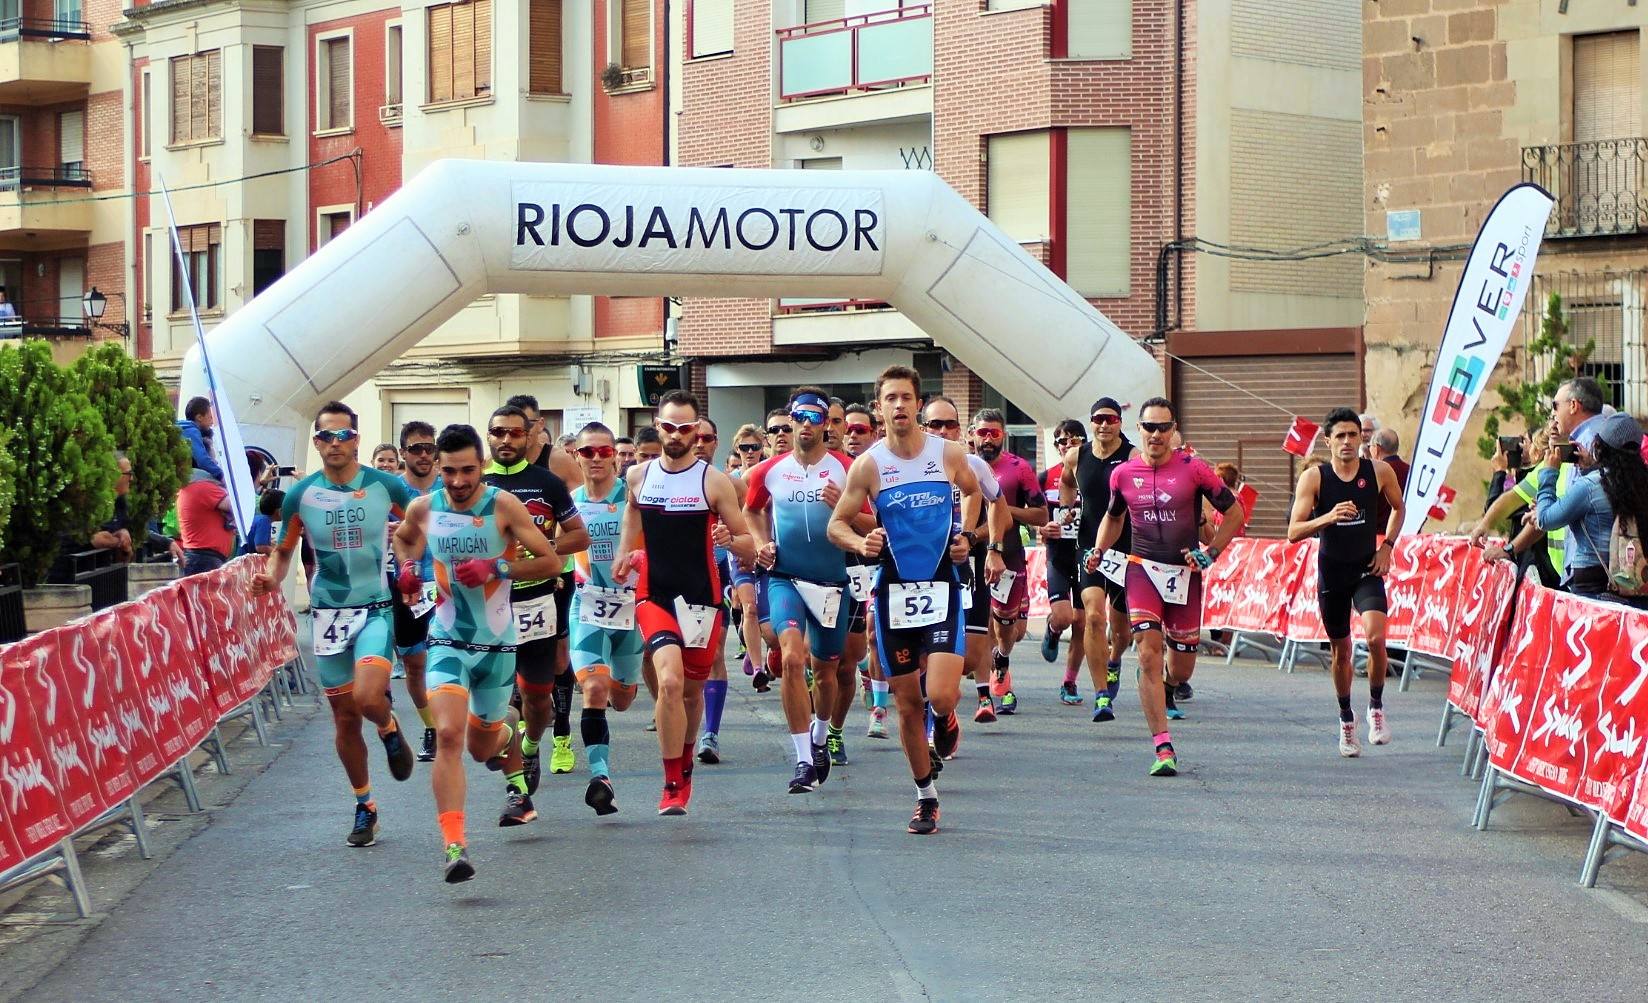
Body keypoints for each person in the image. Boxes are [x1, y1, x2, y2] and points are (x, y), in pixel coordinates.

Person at [391, 424, 567, 882]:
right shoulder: (425, 506)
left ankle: (508, 738)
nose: (458, 481)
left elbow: (551, 561)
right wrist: (407, 570)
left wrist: (497, 565)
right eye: (449, 471)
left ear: (482, 466)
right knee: (448, 736)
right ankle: (455, 846)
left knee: (480, 745)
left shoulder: (503, 506)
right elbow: (405, 539)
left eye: (468, 470)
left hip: (497, 644)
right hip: (447, 639)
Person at [250, 401, 417, 848]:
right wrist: (272, 576)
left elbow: (421, 524)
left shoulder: (386, 485)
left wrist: (415, 564)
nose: (334, 444)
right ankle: (365, 804)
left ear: (356, 439)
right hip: (327, 614)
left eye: (343, 436)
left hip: (376, 606)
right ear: (317, 442)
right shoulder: (301, 494)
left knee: (366, 696)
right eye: (326, 437)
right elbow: (284, 549)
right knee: (344, 717)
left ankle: (388, 726)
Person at [828, 365, 986, 834]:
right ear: (879, 407)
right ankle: (925, 796)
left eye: (905, 397)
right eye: (889, 398)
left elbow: (975, 493)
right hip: (894, 595)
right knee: (906, 703)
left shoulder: (948, 453)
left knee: (939, 694)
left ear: (918, 404)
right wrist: (861, 545)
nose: (898, 405)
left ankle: (948, 716)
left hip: (941, 588)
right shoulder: (870, 465)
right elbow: (836, 524)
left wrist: (968, 537)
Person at [613, 391, 757, 815]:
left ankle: (687, 756)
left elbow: (747, 542)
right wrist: (626, 553)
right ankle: (672, 779)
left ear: (698, 432)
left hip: (702, 598)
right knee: (670, 682)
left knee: (692, 694)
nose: (676, 435)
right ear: (658, 426)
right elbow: (632, 515)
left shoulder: (714, 481)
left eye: (685, 428)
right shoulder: (638, 476)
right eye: (669, 427)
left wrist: (732, 541)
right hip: (654, 594)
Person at [1088, 397, 1246, 776]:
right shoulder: (1123, 474)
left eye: (1163, 427)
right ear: (1138, 430)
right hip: (1142, 569)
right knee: (1146, 653)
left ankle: (1169, 685)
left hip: (1184, 575)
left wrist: (1211, 552)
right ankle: (1162, 746)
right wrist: (1098, 549)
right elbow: (1113, 518)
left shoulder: (1194, 470)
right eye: (1148, 427)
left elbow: (1235, 512)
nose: (1155, 434)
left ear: (1173, 430)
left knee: (1181, 668)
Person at [744, 387, 862, 792]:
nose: (808, 425)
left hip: (832, 583)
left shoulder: (847, 468)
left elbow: (871, 522)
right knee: (793, 657)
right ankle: (801, 761)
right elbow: (751, 509)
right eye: (801, 417)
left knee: (826, 673)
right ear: (791, 420)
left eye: (817, 418)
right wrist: (762, 544)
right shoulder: (770, 470)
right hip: (786, 578)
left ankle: (820, 733)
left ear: (828, 424)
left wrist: (842, 509)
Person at [482, 405, 589, 797]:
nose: (506, 440)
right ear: (489, 437)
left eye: (514, 433)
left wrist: (543, 548)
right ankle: (511, 767)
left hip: (537, 601)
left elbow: (580, 537)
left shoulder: (547, 483)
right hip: (489, 605)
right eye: (499, 433)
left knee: (537, 699)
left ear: (529, 437)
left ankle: (529, 747)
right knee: (495, 694)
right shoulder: (476, 483)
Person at [1287, 408, 1406, 757]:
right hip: (1333, 573)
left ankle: (1376, 707)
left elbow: (1399, 508)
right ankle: (1346, 719)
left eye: (1353, 435)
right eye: (1340, 436)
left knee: (1376, 637)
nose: (1347, 442)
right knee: (1342, 651)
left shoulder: (1379, 471)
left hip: (1367, 569)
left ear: (1362, 439)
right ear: (1328, 441)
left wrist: (1387, 546)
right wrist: (1329, 516)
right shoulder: (1314, 478)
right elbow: (1294, 531)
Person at [568, 422, 646, 814]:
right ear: (576, 456)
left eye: (604, 451)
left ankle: (626, 684)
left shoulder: (632, 498)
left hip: (629, 609)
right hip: (587, 607)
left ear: (615, 455)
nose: (596, 458)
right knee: (594, 689)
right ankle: (601, 777)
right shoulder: (568, 503)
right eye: (588, 452)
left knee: (622, 698)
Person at [920, 396, 1007, 731]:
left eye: (950, 424)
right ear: (923, 426)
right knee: (926, 649)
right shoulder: (909, 463)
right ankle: (936, 714)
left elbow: (999, 506)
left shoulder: (974, 464)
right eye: (935, 425)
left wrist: (990, 546)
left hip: (967, 561)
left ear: (961, 429)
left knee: (969, 657)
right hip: (923, 566)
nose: (943, 431)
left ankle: (944, 705)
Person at [1063, 398, 1136, 723]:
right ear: (1091, 423)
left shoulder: (1132, 456)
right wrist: (1067, 510)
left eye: (1110, 419)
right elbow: (1066, 481)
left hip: (1126, 548)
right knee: (1093, 616)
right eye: (1098, 419)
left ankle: (1115, 659)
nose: (1104, 425)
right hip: (1089, 547)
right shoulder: (1077, 455)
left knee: (1121, 631)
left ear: (1120, 422)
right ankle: (1101, 694)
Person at [973, 408, 1046, 714]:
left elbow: (1041, 515)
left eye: (995, 434)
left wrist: (1001, 507)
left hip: (1009, 555)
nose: (988, 439)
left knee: (1007, 627)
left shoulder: (1019, 468)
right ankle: (987, 689)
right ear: (971, 435)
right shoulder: (963, 467)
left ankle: (1001, 658)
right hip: (973, 553)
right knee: (978, 622)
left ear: (1004, 436)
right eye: (982, 433)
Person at [1536, 412, 1648, 602]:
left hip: (1593, 589)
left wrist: (1549, 473)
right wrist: (1590, 468)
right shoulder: (1643, 484)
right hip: (1637, 582)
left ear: (1598, 446)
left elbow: (1545, 519)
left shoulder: (1589, 486)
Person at [394, 421, 441, 761]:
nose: (424, 455)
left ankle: (452, 721)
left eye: (429, 448)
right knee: (413, 663)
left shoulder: (450, 486)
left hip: (445, 584)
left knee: (441, 657)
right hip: (405, 586)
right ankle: (431, 726)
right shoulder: (390, 491)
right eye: (416, 449)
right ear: (403, 453)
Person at [839, 403, 885, 741]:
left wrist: (844, 513)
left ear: (873, 433)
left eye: (860, 430)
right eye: (849, 430)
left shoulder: (883, 465)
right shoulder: (835, 468)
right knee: (849, 649)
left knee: (872, 632)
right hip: (839, 561)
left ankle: (879, 709)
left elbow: (881, 522)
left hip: (875, 559)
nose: (853, 436)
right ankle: (864, 671)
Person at [1039, 420, 1087, 704]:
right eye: (1061, 442)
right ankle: (1053, 629)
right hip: (1058, 555)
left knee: (1082, 622)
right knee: (1064, 617)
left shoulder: (1094, 474)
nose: (1067, 446)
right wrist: (1043, 529)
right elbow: (1035, 515)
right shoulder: (1045, 477)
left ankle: (1069, 682)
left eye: (1073, 440)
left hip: (1085, 557)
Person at [176, 468, 234, 575]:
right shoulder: (203, 486)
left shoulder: (191, 486)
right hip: (204, 559)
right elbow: (237, 507)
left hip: (200, 558)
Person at [91, 452, 136, 561]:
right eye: (129, 474)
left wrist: (122, 535)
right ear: (113, 475)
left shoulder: (121, 502)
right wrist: (116, 541)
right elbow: (94, 539)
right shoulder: (91, 502)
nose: (132, 479)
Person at [177, 396, 223, 479]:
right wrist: (221, 475)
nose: (212, 422)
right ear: (199, 417)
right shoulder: (191, 431)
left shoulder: (182, 428)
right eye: (211, 417)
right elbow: (202, 460)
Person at [242, 489, 282, 556]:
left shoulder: (262, 519)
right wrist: (277, 554)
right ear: (278, 511)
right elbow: (260, 547)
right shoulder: (264, 521)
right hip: (245, 561)